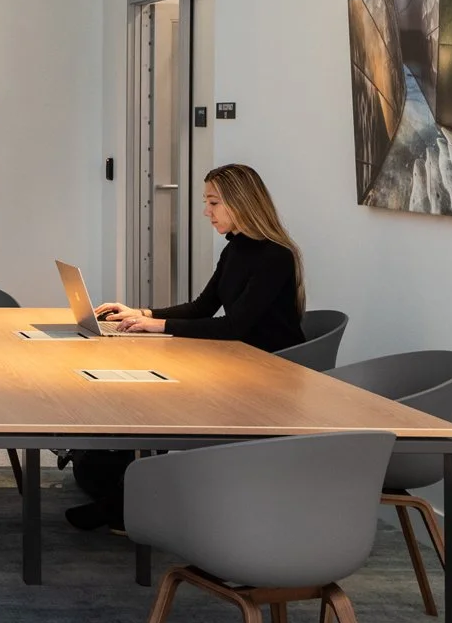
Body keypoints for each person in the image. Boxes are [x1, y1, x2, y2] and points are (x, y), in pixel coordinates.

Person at [66, 163, 307, 531]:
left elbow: (235, 326)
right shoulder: (235, 249)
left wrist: (159, 326)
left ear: (241, 202)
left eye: (213, 202)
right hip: (237, 360)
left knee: (167, 400)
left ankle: (129, 504)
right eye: (206, 202)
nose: (206, 211)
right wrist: (142, 313)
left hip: (270, 372)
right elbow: (202, 308)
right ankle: (130, 494)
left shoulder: (275, 256)